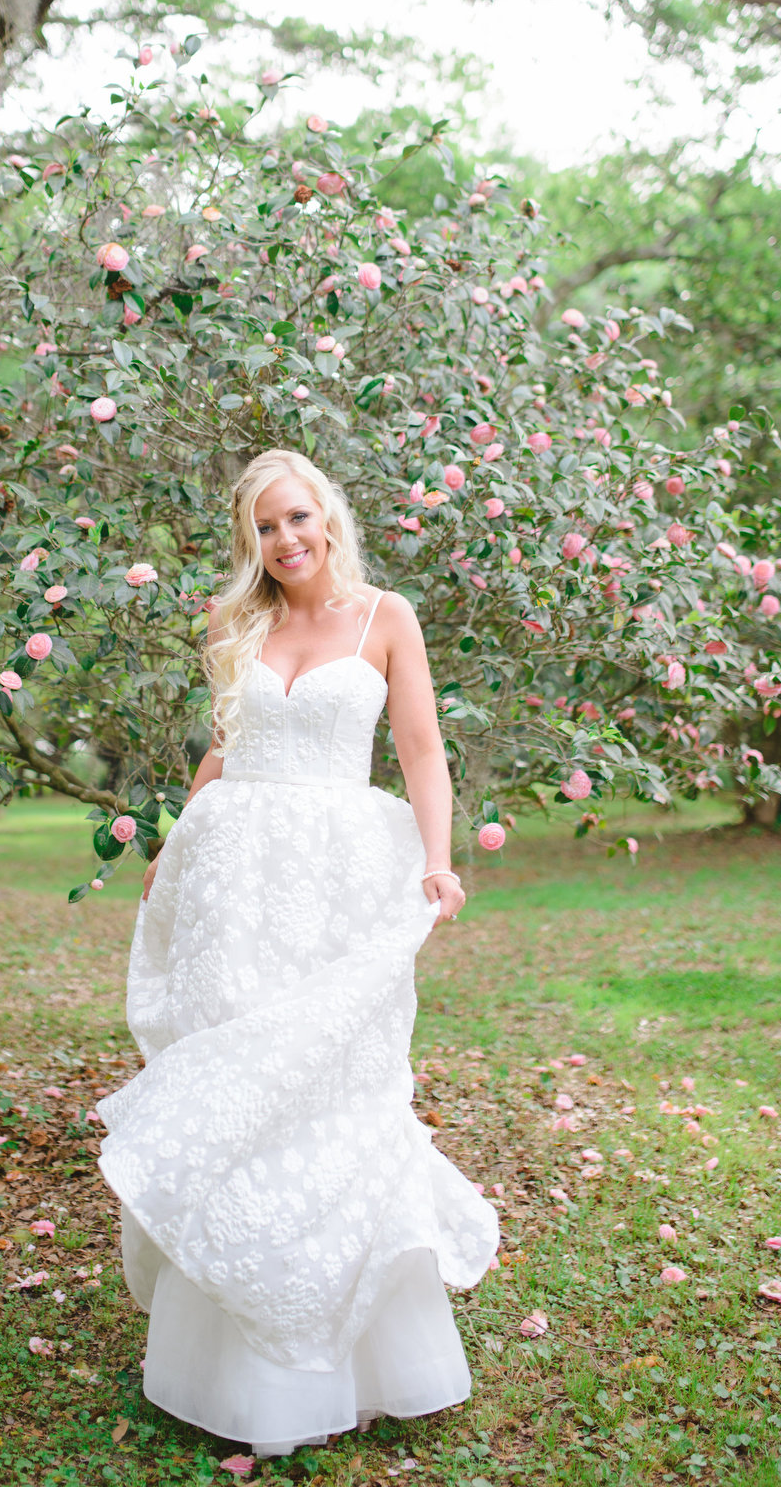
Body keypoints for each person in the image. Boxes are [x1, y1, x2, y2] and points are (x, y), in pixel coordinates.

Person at [98, 448, 499, 1456]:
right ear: (251, 541)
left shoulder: (383, 618)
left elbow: (418, 750)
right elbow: (226, 748)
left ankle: (354, 1356)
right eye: (264, 529)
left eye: (297, 519)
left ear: (328, 516)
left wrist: (438, 858)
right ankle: (230, 1359)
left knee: (329, 1084)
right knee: (237, 1083)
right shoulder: (238, 623)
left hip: (336, 877)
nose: (285, 542)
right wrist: (175, 846)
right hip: (234, 882)